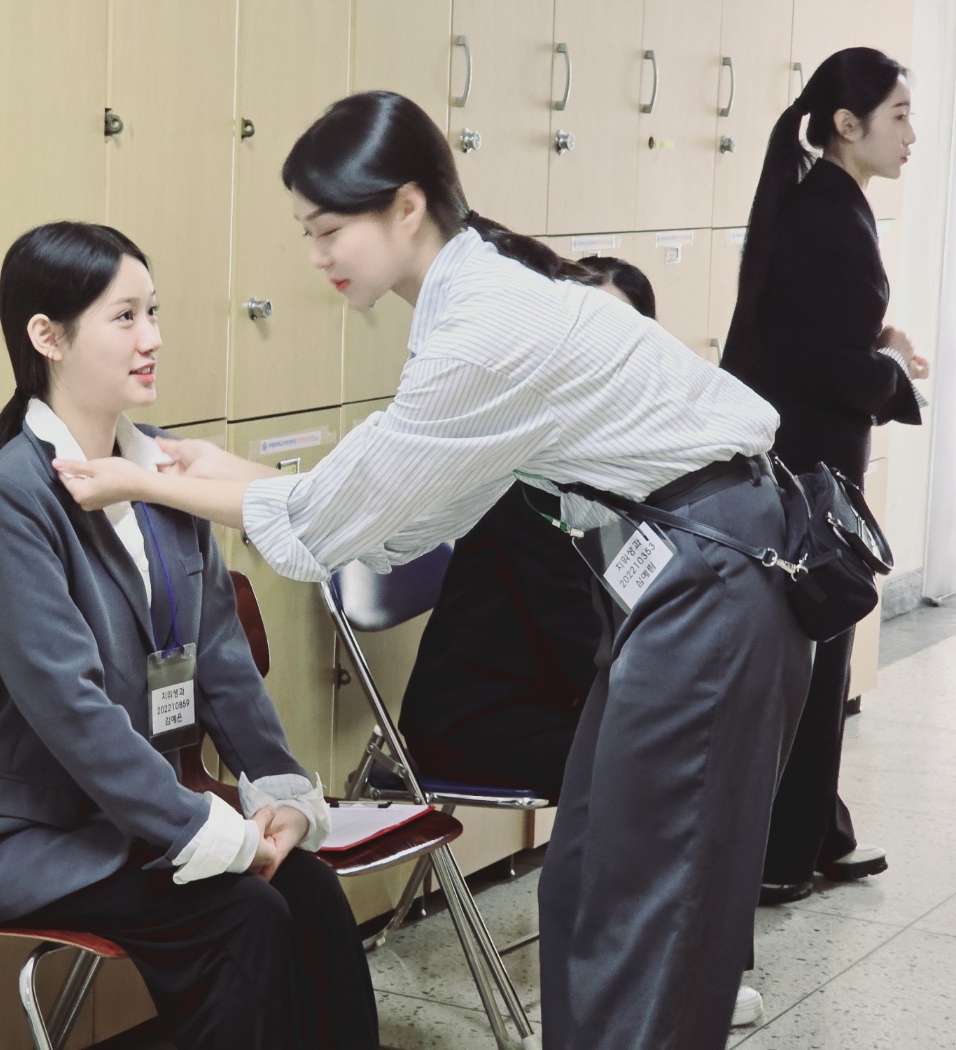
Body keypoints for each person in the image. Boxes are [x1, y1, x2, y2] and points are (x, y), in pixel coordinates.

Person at [54, 91, 813, 1050]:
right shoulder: (476, 294)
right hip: (685, 577)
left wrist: (150, 481)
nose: (316, 255)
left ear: (406, 207)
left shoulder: (482, 329)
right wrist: (226, 473)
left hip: (711, 580)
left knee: (641, 891)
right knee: (592, 874)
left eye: (328, 229)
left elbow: (331, 526)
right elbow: (405, 516)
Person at [0, 221, 379, 1050]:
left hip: (132, 818)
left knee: (308, 891)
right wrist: (205, 830)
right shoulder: (10, 500)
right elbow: (69, 708)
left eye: (154, 312)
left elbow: (221, 663)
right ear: (48, 337)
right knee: (243, 917)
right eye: (125, 317)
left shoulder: (161, 471)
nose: (154, 338)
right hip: (30, 836)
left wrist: (278, 793)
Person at [721, 47, 927, 905]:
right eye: (899, 116)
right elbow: (833, 367)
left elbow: (815, 338)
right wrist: (895, 374)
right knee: (814, 655)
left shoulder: (828, 205)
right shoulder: (829, 218)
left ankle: (816, 833)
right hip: (810, 477)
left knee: (818, 658)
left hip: (802, 466)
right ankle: (783, 857)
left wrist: (877, 347)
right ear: (848, 124)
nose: (912, 135)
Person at [397, 257, 654, 803]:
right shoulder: (530, 470)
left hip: (556, 694)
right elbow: (569, 625)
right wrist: (656, 695)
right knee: (658, 756)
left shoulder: (617, 454)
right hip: (478, 718)